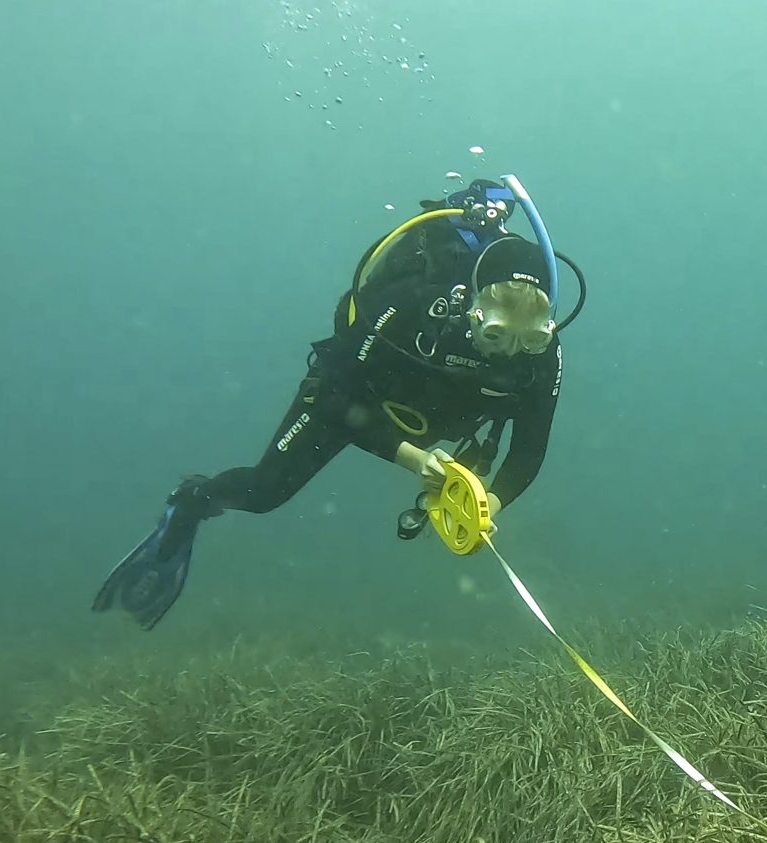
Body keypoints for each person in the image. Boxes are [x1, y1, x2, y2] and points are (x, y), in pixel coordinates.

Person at [93, 177, 582, 630]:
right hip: (351, 402)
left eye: (530, 340)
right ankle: (189, 504)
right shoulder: (413, 305)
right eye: (495, 334)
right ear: (469, 306)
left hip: (429, 424)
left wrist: (490, 503)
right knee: (263, 493)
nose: (508, 352)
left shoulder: (544, 356)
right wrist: (413, 458)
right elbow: (334, 395)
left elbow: (529, 449)